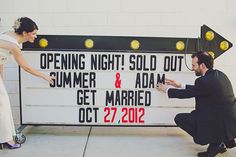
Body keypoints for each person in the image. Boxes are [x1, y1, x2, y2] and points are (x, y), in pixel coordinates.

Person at [156, 51, 236, 157]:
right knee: (195, 114)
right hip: (229, 122)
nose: (192, 68)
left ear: (202, 65)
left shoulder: (203, 81)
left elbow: (187, 94)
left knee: (180, 118)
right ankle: (222, 139)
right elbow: (201, 90)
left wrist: (166, 89)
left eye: (194, 65)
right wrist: (180, 85)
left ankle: (216, 143)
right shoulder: (220, 75)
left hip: (217, 121)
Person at [0, 17, 54, 149]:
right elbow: (26, 67)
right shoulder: (13, 46)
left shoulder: (6, 35)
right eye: (34, 33)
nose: (36, 37)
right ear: (25, 33)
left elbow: (0, 62)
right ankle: (7, 140)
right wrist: (45, 77)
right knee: (3, 107)